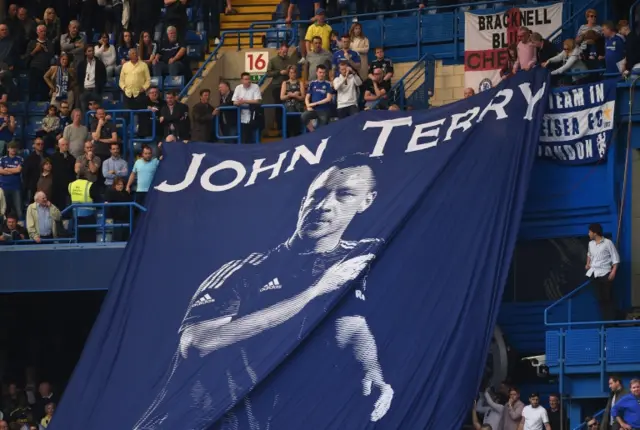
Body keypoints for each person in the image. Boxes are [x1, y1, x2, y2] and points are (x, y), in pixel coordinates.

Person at [134, 155, 393, 430]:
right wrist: (312, 293)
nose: (325, 205)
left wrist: (371, 371)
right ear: (304, 199)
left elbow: (349, 323)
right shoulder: (244, 272)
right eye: (318, 194)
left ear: (366, 201)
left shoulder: (354, 259)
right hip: (187, 422)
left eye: (344, 195)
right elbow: (199, 343)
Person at [585, 223, 620, 321]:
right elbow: (589, 254)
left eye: (590, 232)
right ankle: (604, 321)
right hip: (594, 274)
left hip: (605, 273)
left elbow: (615, 258)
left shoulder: (608, 243)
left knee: (608, 299)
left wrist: (613, 272)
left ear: (595, 233)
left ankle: (612, 322)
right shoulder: (590, 244)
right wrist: (587, 263)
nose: (588, 234)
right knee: (599, 300)